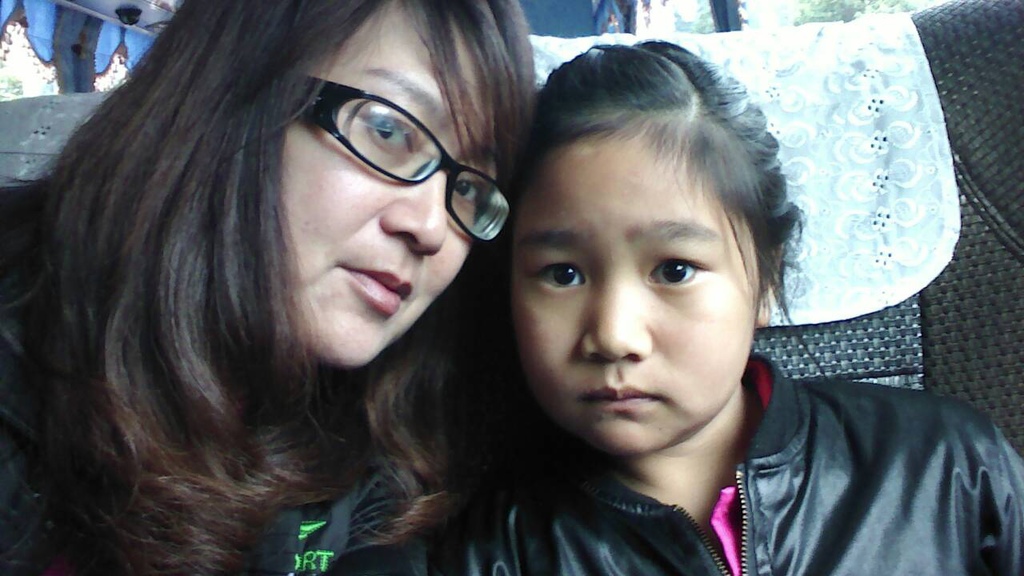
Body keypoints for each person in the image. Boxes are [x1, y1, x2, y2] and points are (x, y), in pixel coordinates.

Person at [423, 41, 1024, 575]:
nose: (613, 336)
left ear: (765, 281)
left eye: (674, 270)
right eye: (563, 274)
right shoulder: (485, 552)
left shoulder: (944, 467)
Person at [0, 1, 535, 574]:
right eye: (388, 130)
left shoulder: (392, 438)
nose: (431, 228)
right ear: (227, 92)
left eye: (470, 189)